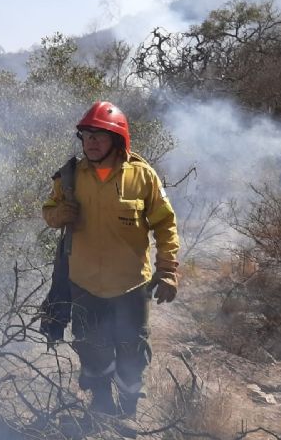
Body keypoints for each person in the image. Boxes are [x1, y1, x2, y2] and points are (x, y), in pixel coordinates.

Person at [41, 101, 180, 416]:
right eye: (86, 135)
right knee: (91, 347)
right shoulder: (70, 176)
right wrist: (58, 214)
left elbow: (165, 225)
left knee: (132, 350)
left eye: (99, 135)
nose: (91, 142)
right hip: (84, 284)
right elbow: (48, 211)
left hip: (130, 286)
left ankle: (128, 408)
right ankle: (101, 404)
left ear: (117, 140)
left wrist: (169, 270)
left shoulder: (142, 176)